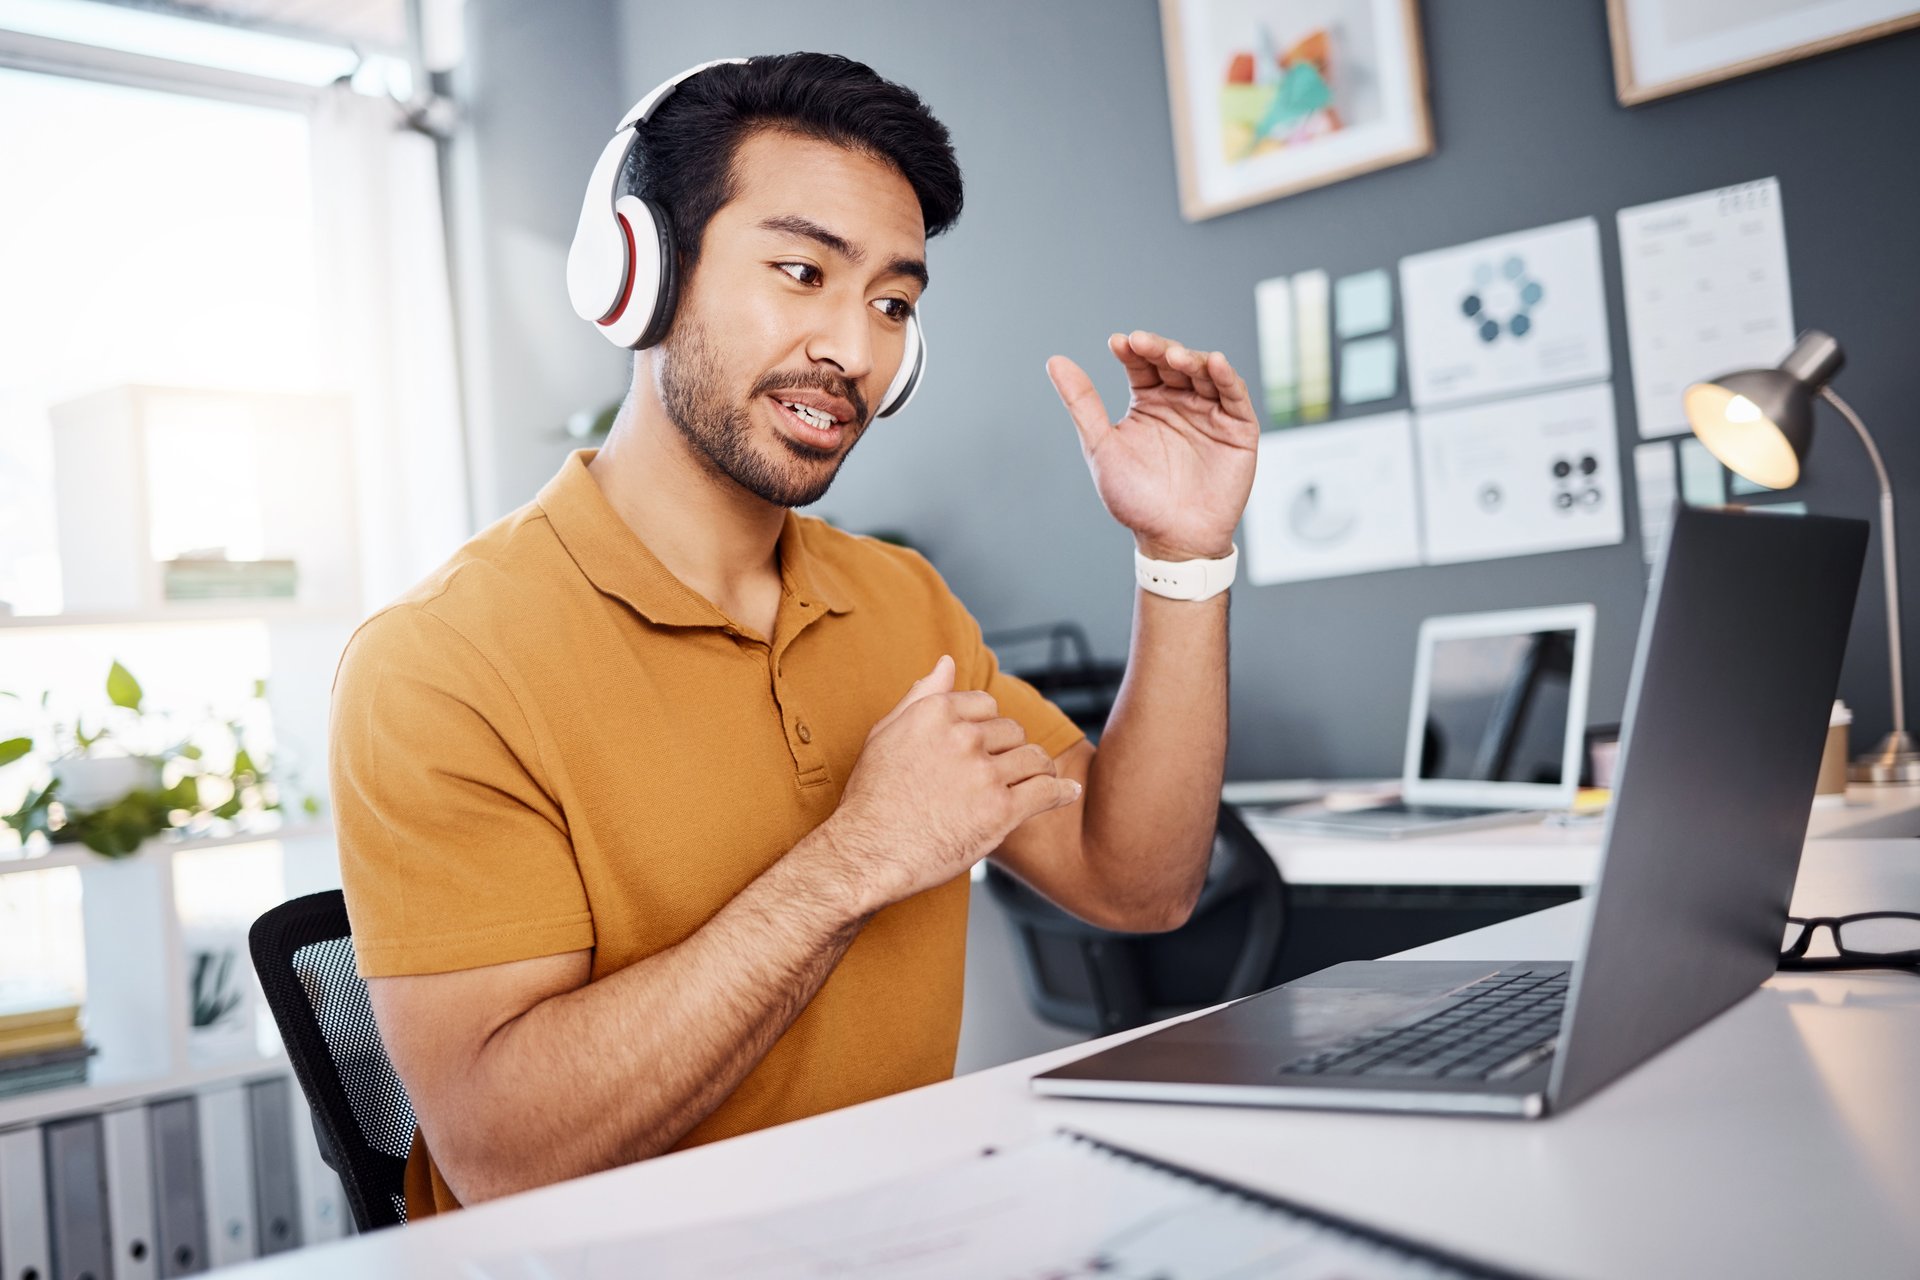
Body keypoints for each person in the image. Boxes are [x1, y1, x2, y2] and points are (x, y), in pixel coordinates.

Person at [330, 51, 1259, 1218]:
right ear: (641, 270)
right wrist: (858, 856)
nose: (857, 350)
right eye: (802, 270)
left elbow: (1141, 881)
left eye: (892, 302)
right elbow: (507, 1157)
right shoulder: (440, 662)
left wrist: (1183, 554)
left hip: (903, 1230)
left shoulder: (902, 602)